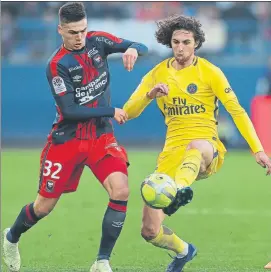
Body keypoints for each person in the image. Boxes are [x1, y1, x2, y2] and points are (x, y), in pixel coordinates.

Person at [2, 2, 148, 272]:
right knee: (43, 207)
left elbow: (143, 45)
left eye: (82, 30)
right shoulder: (57, 65)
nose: (79, 37)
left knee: (121, 190)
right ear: (60, 30)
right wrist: (111, 110)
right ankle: (11, 237)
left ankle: (102, 261)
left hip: (101, 138)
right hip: (67, 141)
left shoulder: (98, 41)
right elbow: (69, 110)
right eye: (73, 33)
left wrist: (132, 48)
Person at [123, 14, 271, 272]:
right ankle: (183, 251)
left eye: (186, 42)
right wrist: (150, 94)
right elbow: (128, 112)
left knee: (197, 146)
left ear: (197, 43)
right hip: (171, 154)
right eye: (175, 42)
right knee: (149, 231)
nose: (180, 47)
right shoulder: (158, 74)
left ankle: (179, 191)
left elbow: (236, 111)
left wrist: (257, 149)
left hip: (207, 148)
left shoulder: (210, 72)